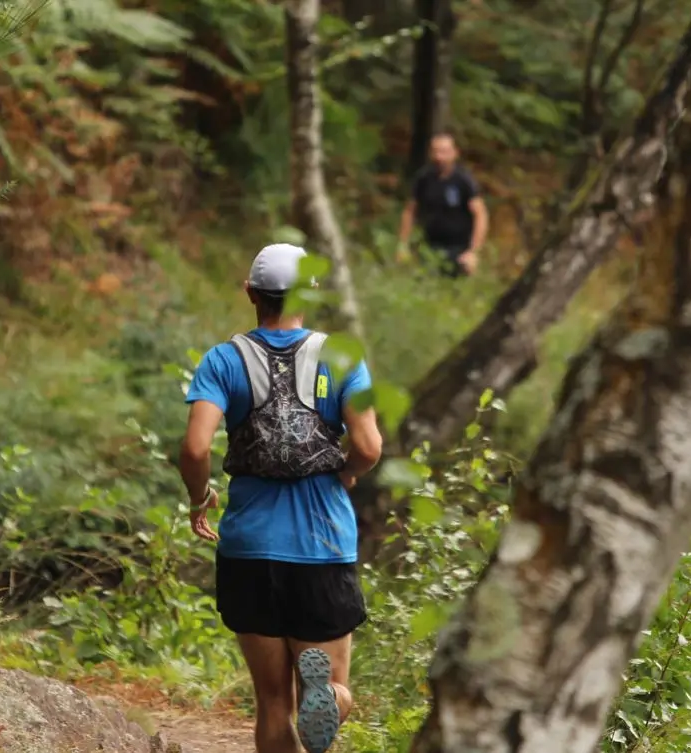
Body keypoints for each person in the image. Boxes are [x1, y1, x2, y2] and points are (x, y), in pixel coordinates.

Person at [178, 242, 383, 753]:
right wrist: (349, 474)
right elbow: (368, 446)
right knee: (331, 689)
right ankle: (330, 698)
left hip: (249, 548)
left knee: (272, 703)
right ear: (306, 295)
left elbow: (195, 446)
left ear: (250, 292)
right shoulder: (342, 356)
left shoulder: (223, 360)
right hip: (321, 545)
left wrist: (200, 497)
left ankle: (318, 699)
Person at [397, 132, 490, 277]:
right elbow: (410, 211)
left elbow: (480, 214)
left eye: (444, 152)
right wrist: (403, 244)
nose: (439, 157)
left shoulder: (463, 180)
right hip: (429, 246)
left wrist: (473, 252)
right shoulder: (424, 178)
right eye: (435, 152)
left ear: (455, 153)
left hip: (459, 248)